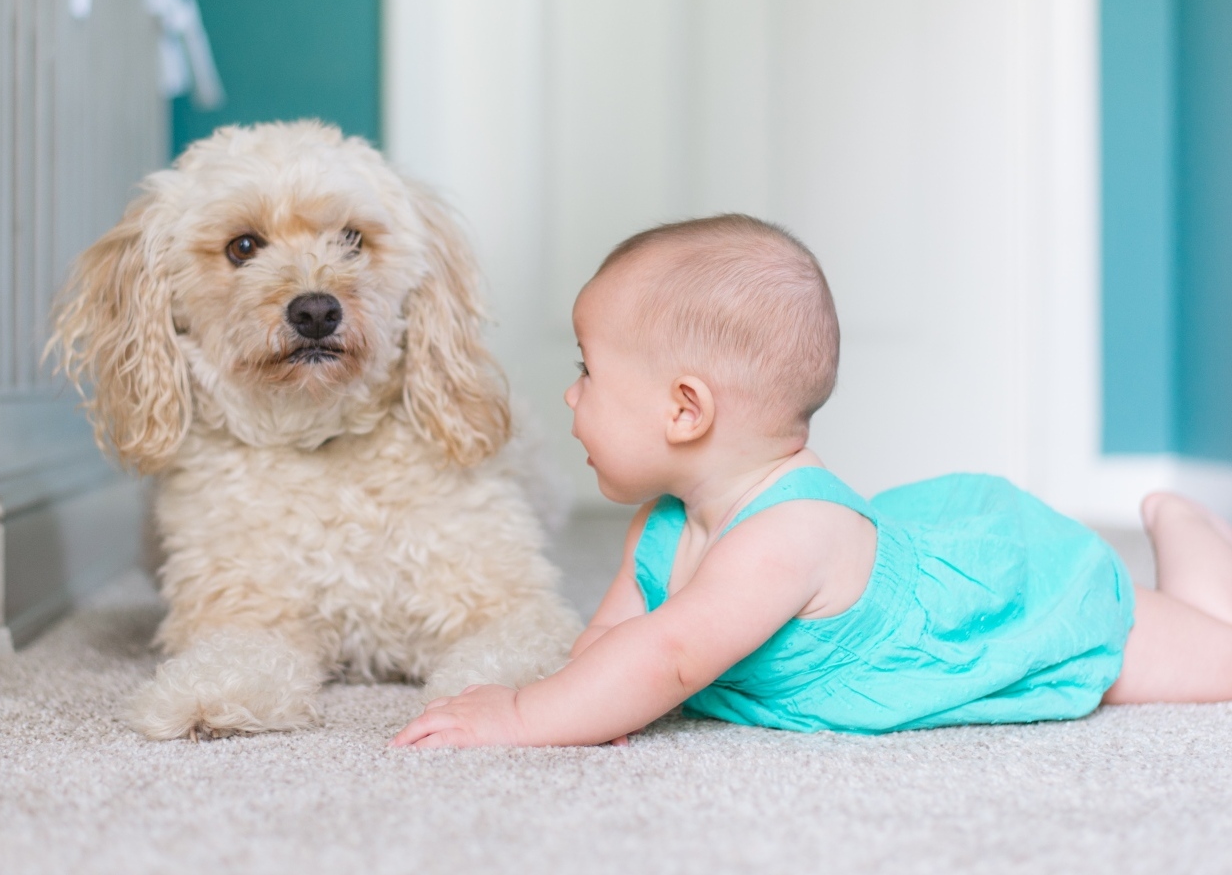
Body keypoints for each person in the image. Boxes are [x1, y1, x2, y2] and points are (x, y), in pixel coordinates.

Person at [392, 214, 1232, 748]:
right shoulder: (663, 523)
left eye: (588, 372)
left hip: (1001, 604)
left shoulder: (787, 538)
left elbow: (669, 658)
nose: (570, 395)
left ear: (685, 409)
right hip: (900, 558)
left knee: (1210, 659)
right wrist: (585, 700)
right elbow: (615, 642)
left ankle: (1191, 548)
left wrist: (523, 717)